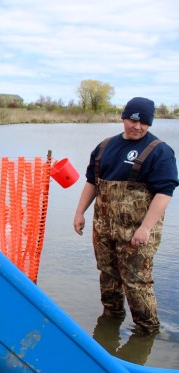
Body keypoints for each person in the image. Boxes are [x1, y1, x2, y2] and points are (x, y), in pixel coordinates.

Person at [73, 97, 179, 335]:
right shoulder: (104, 147)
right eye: (132, 120)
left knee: (137, 282)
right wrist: (80, 212)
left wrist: (146, 228)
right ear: (123, 117)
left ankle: (147, 331)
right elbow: (92, 183)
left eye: (143, 123)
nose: (137, 126)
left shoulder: (159, 151)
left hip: (137, 231)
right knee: (107, 275)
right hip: (104, 228)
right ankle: (110, 322)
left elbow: (164, 193)